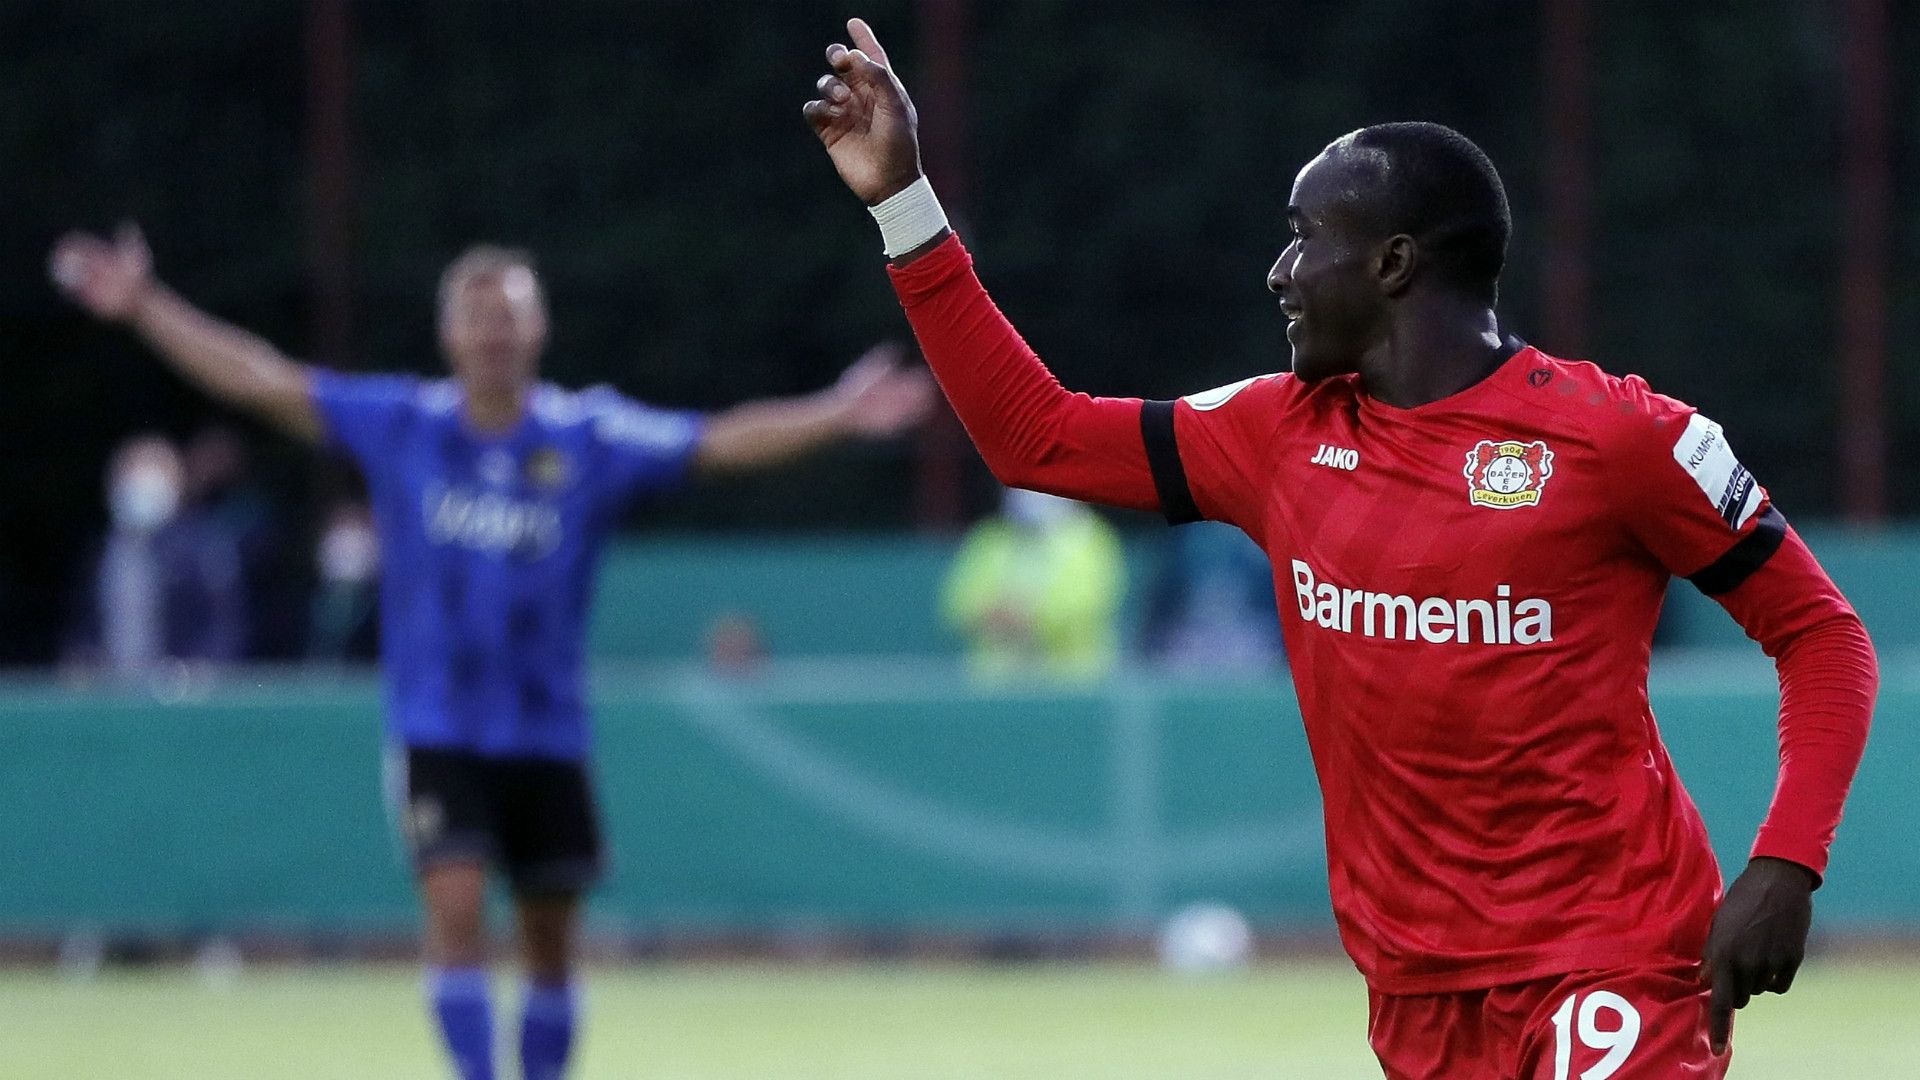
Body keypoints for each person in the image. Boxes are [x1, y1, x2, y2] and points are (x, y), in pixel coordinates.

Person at [803, 20, 1875, 1078]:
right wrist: (904, 204)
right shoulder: (1276, 434)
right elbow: (1036, 437)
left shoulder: (1621, 438)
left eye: (1305, 236)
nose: (1281, 271)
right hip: (1415, 990)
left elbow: (1822, 635)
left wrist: (1786, 864)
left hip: (1616, 961)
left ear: (1394, 262)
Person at [50, 230, 930, 1080]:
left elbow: (718, 442)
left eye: (509, 314)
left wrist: (837, 413)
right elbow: (262, 379)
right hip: (438, 725)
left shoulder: (588, 438)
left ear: (538, 328)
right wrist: (147, 306)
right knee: (457, 904)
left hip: (547, 730)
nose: (493, 331)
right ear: (448, 334)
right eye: (477, 315)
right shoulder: (404, 425)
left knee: (550, 941)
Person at [64, 433, 248, 676]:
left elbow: (225, 627)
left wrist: (197, 671)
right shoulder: (102, 551)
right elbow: (85, 624)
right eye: (130, 477)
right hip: (113, 688)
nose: (139, 489)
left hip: (178, 688)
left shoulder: (202, 547)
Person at [942, 487, 1125, 680]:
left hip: (1071, 682)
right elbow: (957, 603)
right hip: (997, 683)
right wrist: (990, 614)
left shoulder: (1090, 538)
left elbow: (1087, 604)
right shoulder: (991, 537)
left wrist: (1029, 619)